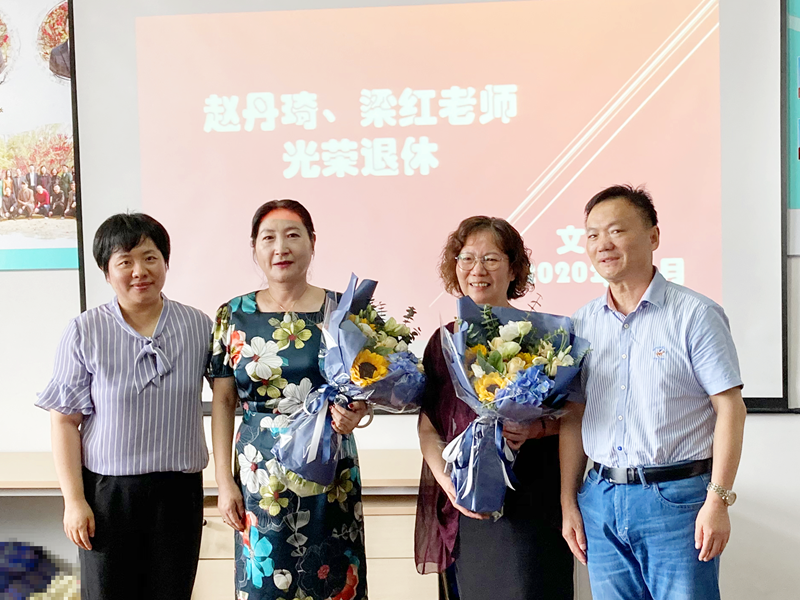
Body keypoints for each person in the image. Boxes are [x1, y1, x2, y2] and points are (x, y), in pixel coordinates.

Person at [560, 185, 747, 600]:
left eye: (616, 231)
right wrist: (568, 502)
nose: (603, 245)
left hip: (677, 500)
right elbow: (574, 416)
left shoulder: (696, 314)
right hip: (600, 498)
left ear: (653, 237)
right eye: (592, 235)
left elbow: (731, 408)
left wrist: (718, 500)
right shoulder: (581, 324)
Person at [36, 213, 212, 600]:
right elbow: (63, 421)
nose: (139, 271)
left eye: (150, 258)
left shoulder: (199, 326)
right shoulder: (84, 331)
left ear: (165, 261)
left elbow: (230, 396)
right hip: (108, 494)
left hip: (179, 492)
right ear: (106, 271)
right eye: (125, 261)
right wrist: (74, 501)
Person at [209, 199, 371, 600]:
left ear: (312, 242)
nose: (281, 248)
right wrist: (223, 481)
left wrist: (359, 411)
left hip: (329, 468)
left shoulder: (342, 310)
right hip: (260, 472)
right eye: (268, 238)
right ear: (255, 249)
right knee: (266, 583)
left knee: (333, 577)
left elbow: (368, 387)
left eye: (293, 235)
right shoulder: (233, 315)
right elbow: (223, 402)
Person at [415, 216, 574, 600]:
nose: (477, 270)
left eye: (491, 259)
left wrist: (534, 429)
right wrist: (450, 485)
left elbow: (573, 417)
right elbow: (428, 427)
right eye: (467, 258)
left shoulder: (543, 337)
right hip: (467, 503)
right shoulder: (444, 341)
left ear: (514, 268)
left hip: (531, 502)